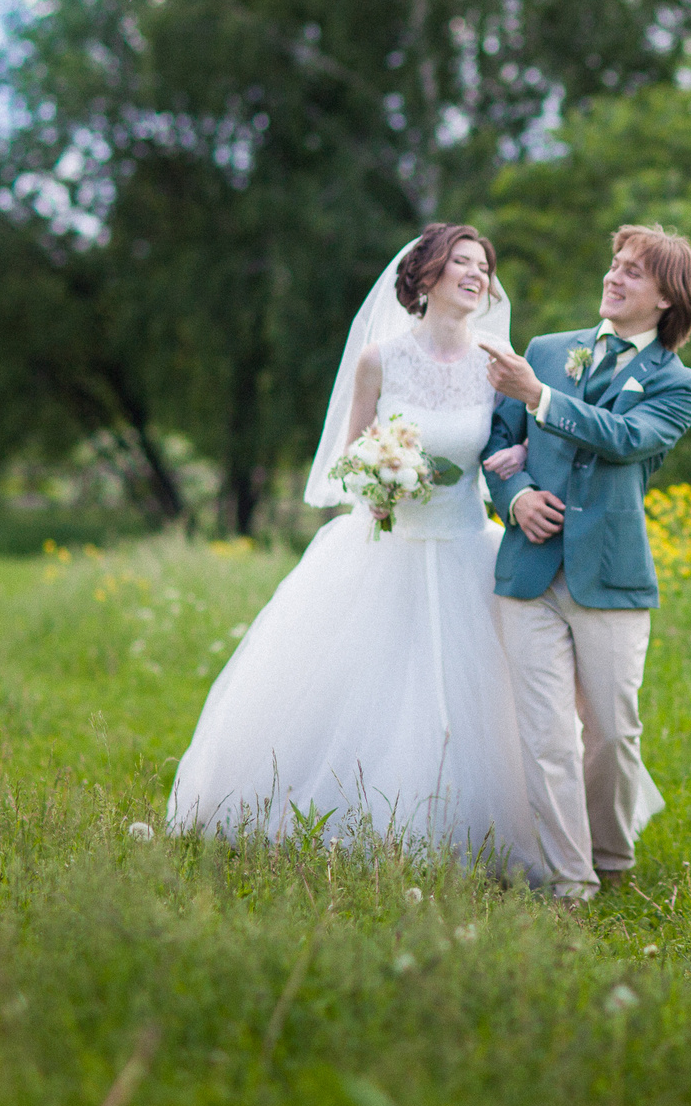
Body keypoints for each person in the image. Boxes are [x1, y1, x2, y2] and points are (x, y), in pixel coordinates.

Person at [166, 223, 541, 880]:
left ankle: (484, 834)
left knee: (483, 704)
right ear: (427, 275)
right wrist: (380, 480)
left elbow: (520, 440)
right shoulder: (380, 359)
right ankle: (356, 824)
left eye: (484, 265)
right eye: (462, 262)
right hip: (386, 549)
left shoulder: (498, 364)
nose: (478, 275)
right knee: (373, 691)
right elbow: (351, 459)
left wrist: (524, 455)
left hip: (466, 546)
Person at [479, 224, 691, 901]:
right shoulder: (547, 350)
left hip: (610, 576)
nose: (614, 276)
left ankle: (611, 856)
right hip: (527, 572)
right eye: (615, 263)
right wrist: (516, 497)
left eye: (634, 271)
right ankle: (570, 880)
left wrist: (540, 397)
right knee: (546, 734)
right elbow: (496, 440)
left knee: (612, 733)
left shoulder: (680, 384)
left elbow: (626, 438)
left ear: (667, 298)